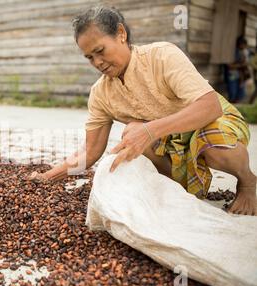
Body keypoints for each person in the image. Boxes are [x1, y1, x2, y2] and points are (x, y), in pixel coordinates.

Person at [29, 6, 256, 216]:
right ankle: (179, 188)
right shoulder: (100, 93)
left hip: (211, 121)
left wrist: (149, 130)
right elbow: (90, 150)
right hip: (173, 140)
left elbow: (210, 107)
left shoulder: (162, 56)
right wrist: (50, 176)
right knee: (133, 132)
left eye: (100, 51)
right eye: (89, 57)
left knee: (211, 145)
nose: (97, 62)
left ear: (121, 34)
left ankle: (247, 182)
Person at [224, 36, 250, 103]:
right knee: (232, 93)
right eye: (244, 45)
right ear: (240, 44)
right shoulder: (233, 52)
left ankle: (235, 105)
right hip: (232, 75)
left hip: (239, 75)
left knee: (240, 94)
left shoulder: (243, 52)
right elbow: (229, 66)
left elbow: (244, 63)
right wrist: (241, 65)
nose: (245, 46)